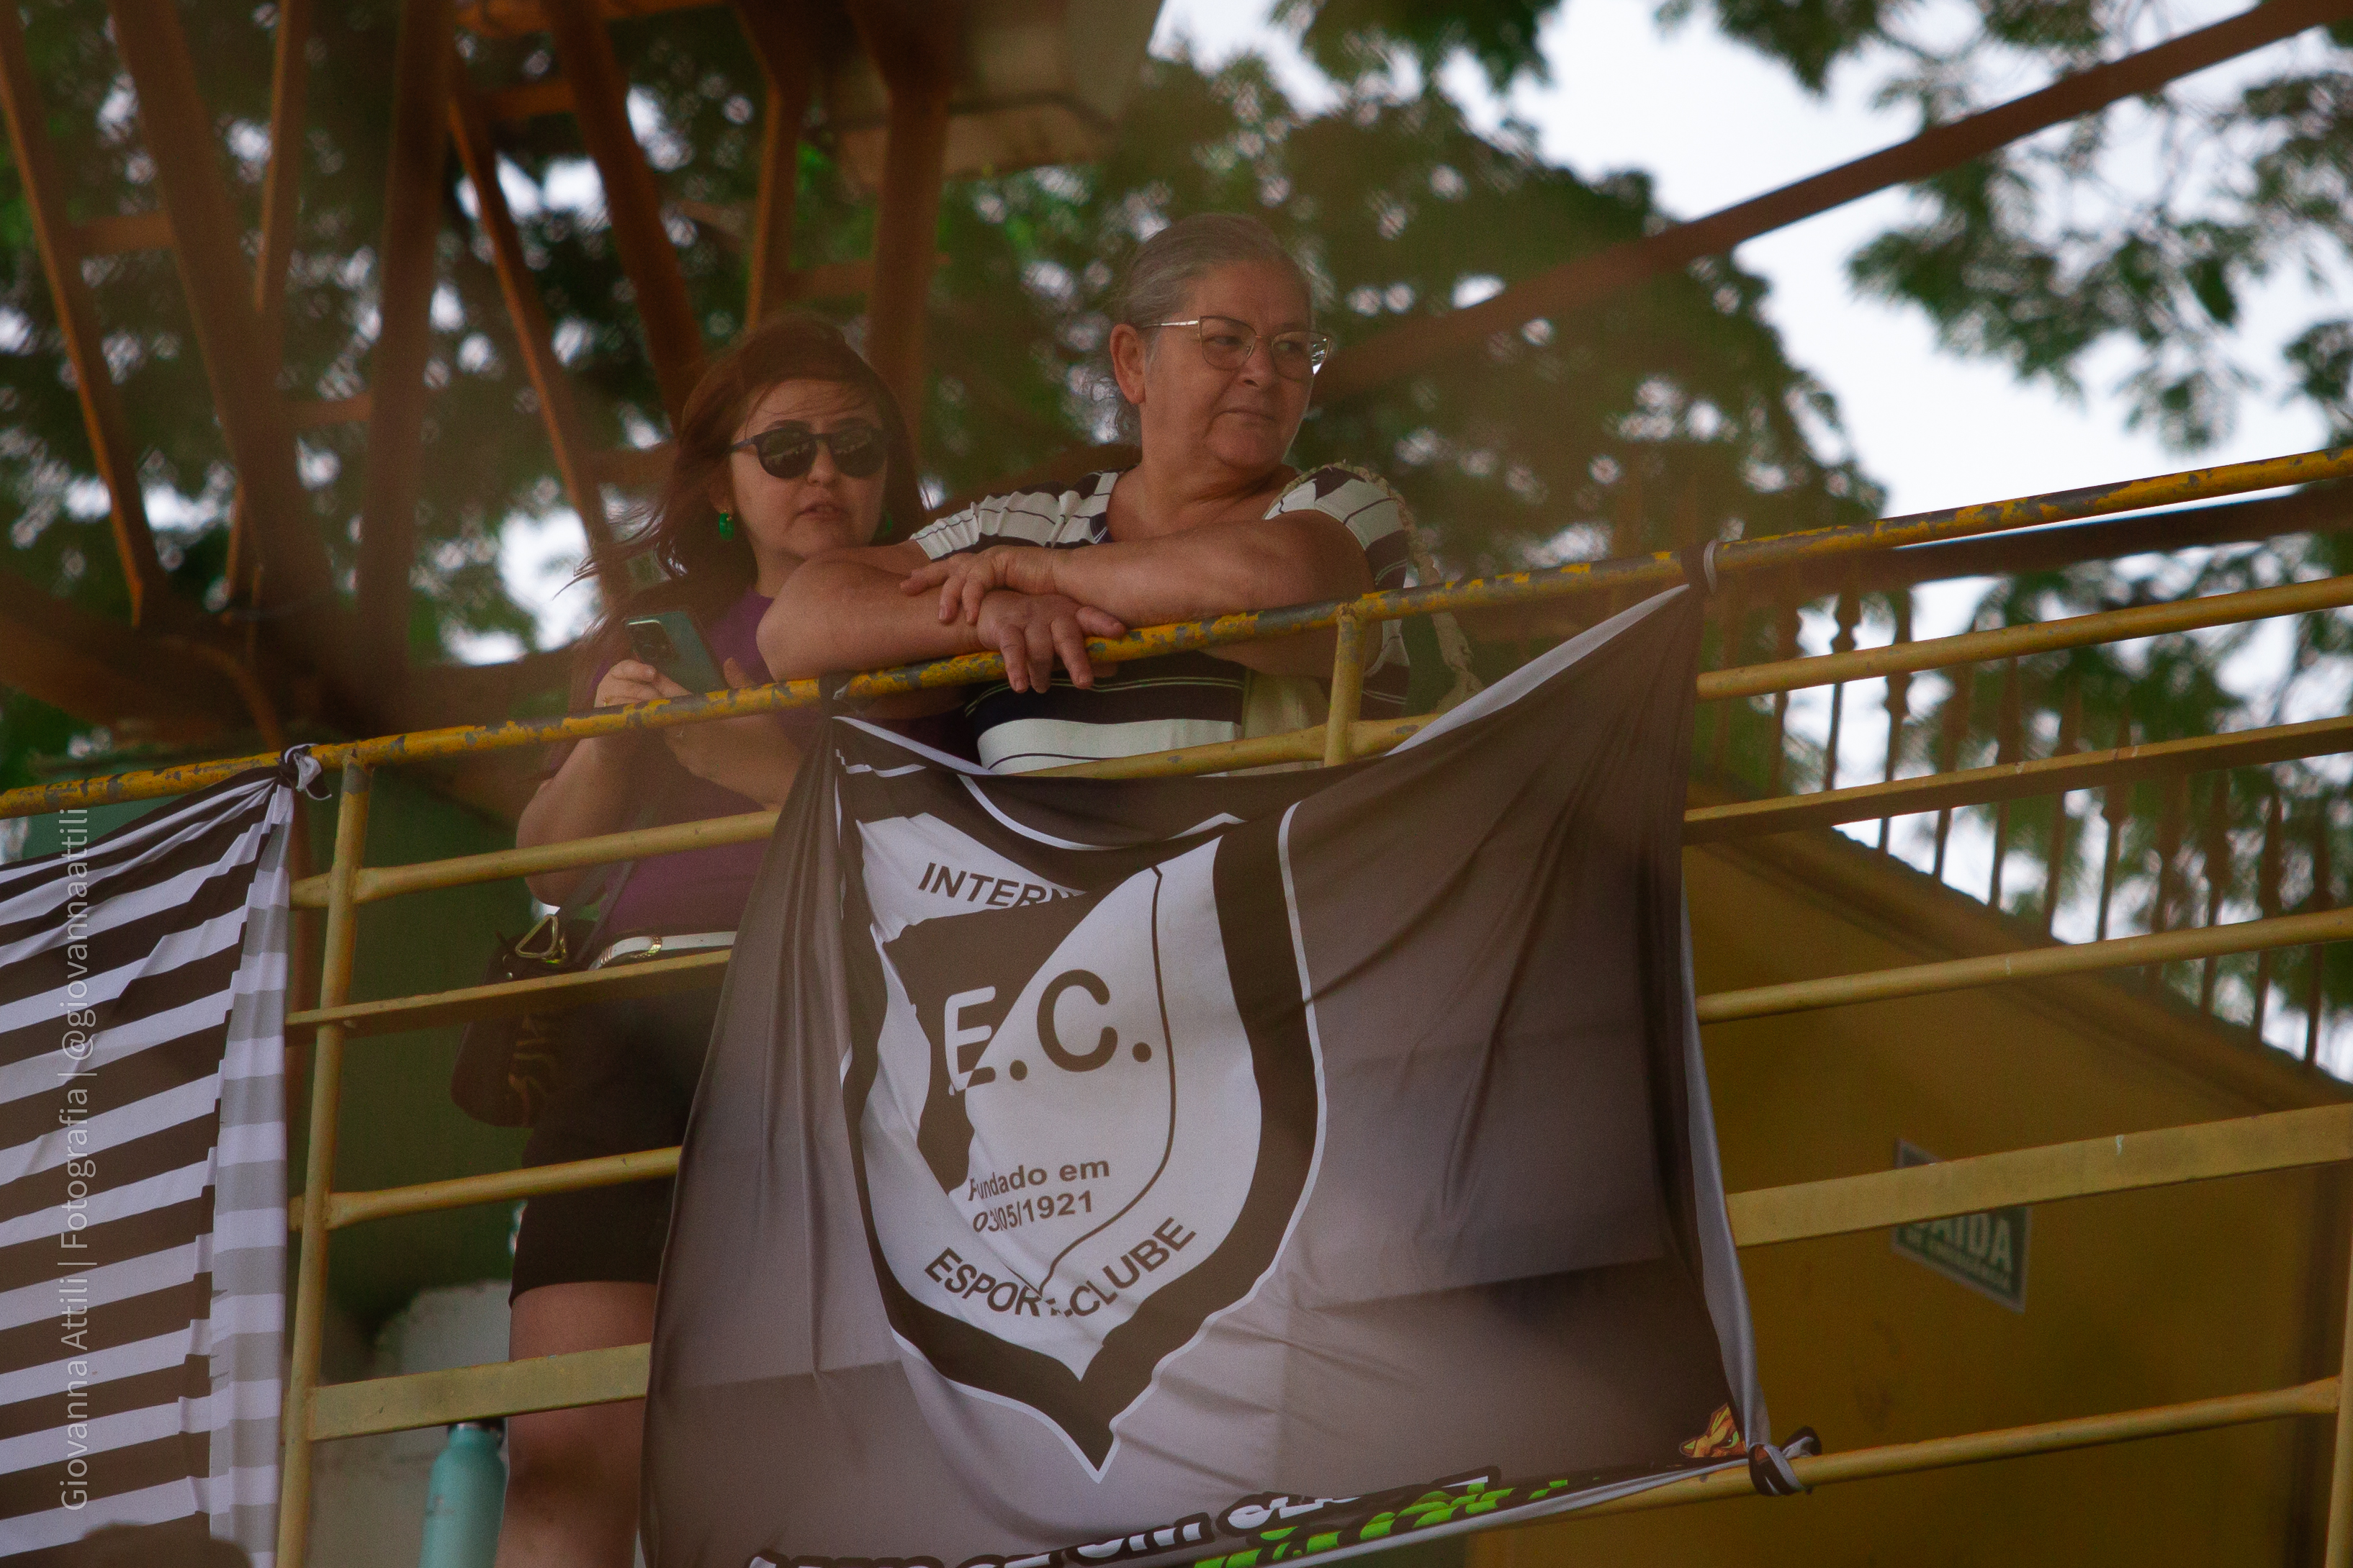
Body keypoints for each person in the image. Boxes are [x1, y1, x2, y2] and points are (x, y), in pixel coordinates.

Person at [498, 315, 932, 1568]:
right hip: (631, 1025)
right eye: (785, 448)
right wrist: (609, 746)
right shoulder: (657, 629)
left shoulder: (935, 611)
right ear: (724, 487)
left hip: (830, 1020)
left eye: (854, 446)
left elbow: (947, 845)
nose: (823, 473)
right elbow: (549, 866)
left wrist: (744, 762)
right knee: (566, 1449)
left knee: (803, 1445)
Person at [760, 213, 1426, 770]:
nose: (1264, 372)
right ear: (1134, 362)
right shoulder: (1022, 526)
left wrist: (1048, 575)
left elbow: (1280, 584)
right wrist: (991, 618)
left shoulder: (1341, 506)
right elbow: (794, 625)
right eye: (1226, 340)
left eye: (1292, 348)